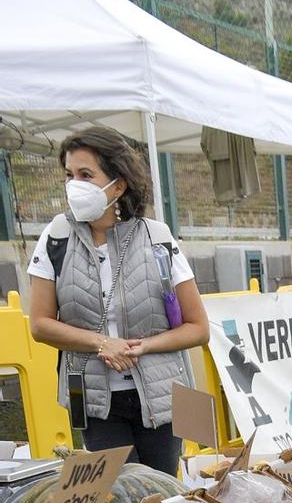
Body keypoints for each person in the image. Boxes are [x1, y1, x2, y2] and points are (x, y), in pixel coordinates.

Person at [28, 127, 209, 473]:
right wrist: (102, 343)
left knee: (163, 495)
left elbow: (198, 328)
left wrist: (142, 347)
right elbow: (40, 324)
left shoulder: (158, 237)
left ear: (119, 184)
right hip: (94, 401)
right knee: (118, 500)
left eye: (85, 175)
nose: (73, 185)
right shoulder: (56, 237)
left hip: (163, 395)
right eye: (69, 175)